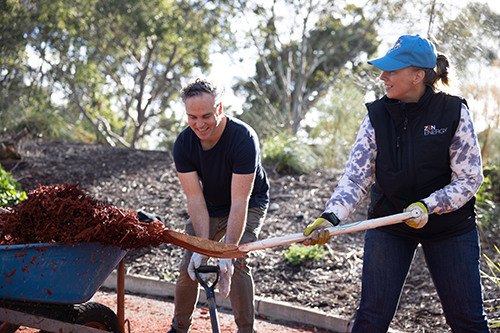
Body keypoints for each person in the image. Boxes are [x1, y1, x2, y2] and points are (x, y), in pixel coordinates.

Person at [303, 34, 490, 332]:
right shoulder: (377, 115)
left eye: (392, 71)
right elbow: (357, 175)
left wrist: (428, 206)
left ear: (418, 76)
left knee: (468, 321)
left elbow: (469, 179)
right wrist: (331, 216)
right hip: (389, 222)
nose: (383, 77)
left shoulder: (453, 111)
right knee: (371, 317)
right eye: (384, 70)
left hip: (450, 227)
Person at [168, 78, 269, 333]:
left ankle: (247, 331)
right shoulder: (183, 145)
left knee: (236, 263)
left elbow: (240, 200)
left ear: (220, 109)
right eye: (192, 117)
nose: (199, 124)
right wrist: (201, 246)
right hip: (210, 204)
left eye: (206, 116)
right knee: (188, 264)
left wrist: (228, 251)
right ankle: (179, 328)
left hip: (248, 201)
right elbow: (194, 198)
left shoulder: (243, 138)